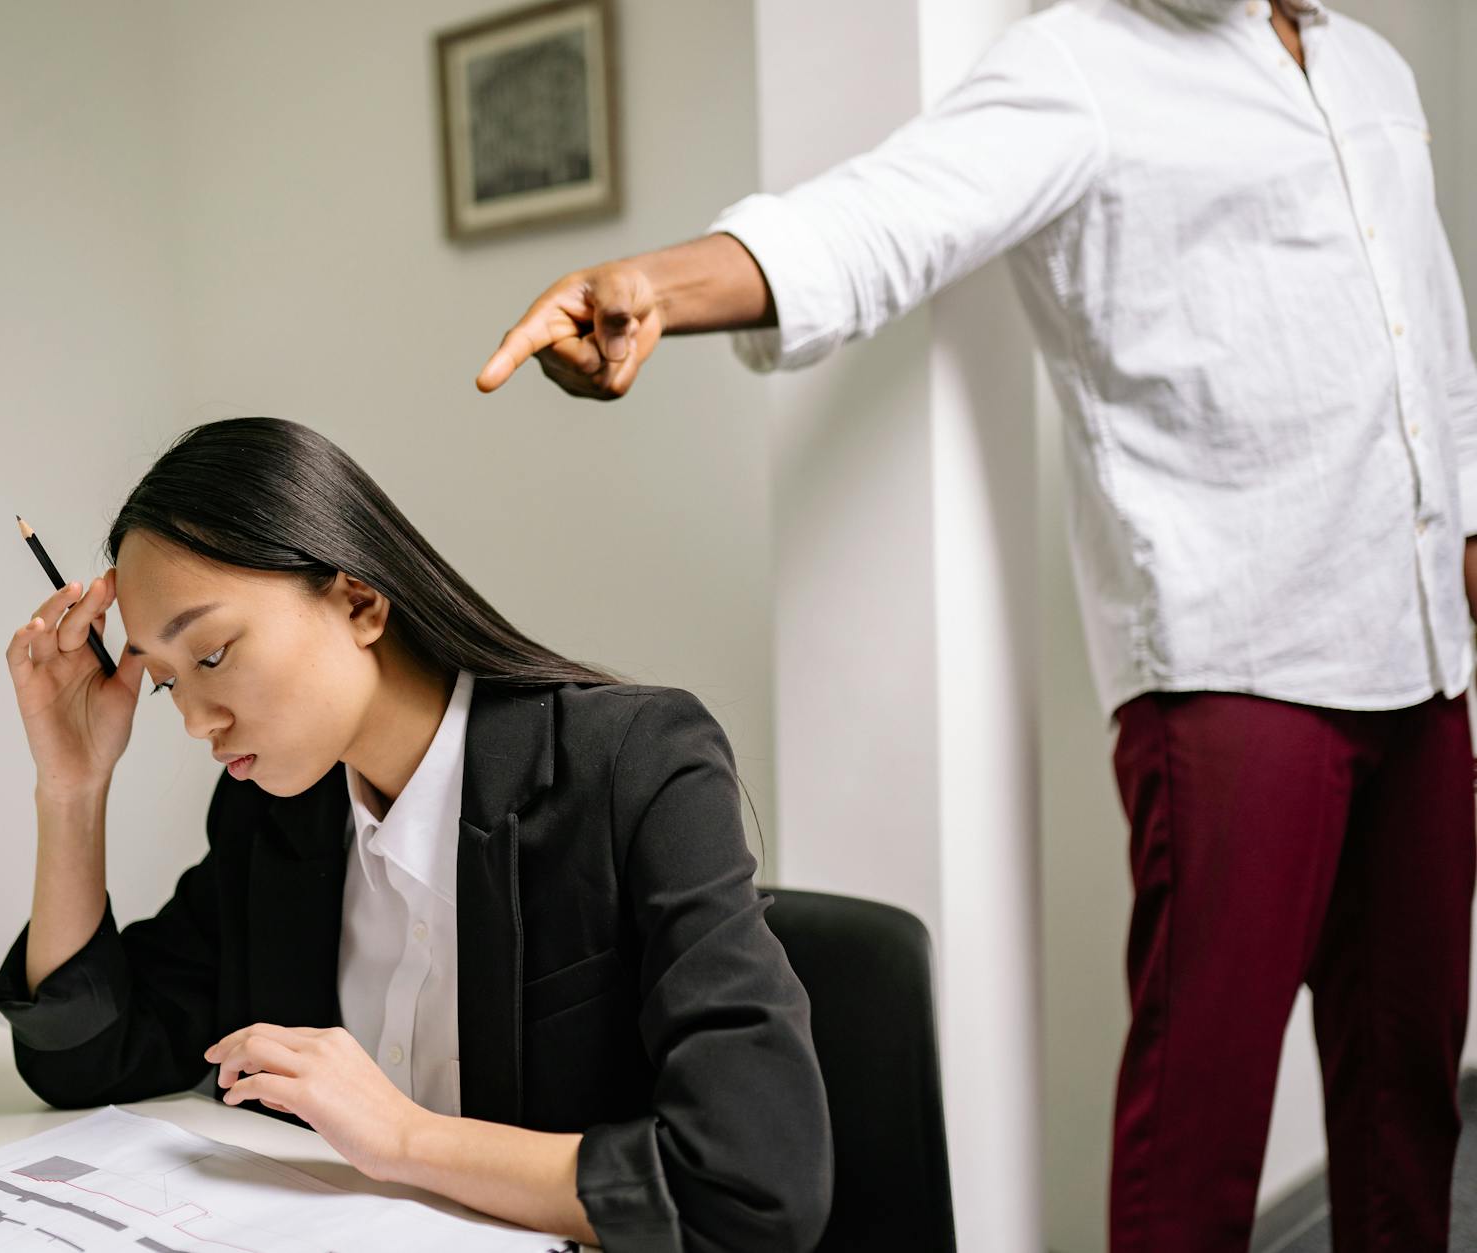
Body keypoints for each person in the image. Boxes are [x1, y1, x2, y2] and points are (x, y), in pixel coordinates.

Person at [475, 2, 1477, 1250]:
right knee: (1200, 1119)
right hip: (1233, 658)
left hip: (1422, 646)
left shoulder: (1366, 65)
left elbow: (1426, 328)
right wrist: (653, 290)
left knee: (1408, 1089)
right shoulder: (1078, 64)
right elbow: (877, 218)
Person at [0, 417, 831, 1253]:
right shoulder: (275, 811)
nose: (196, 720)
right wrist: (72, 787)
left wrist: (402, 1137)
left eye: (210, 655)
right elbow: (84, 1057)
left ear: (360, 601)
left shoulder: (634, 768)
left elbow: (752, 1182)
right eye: (166, 682)